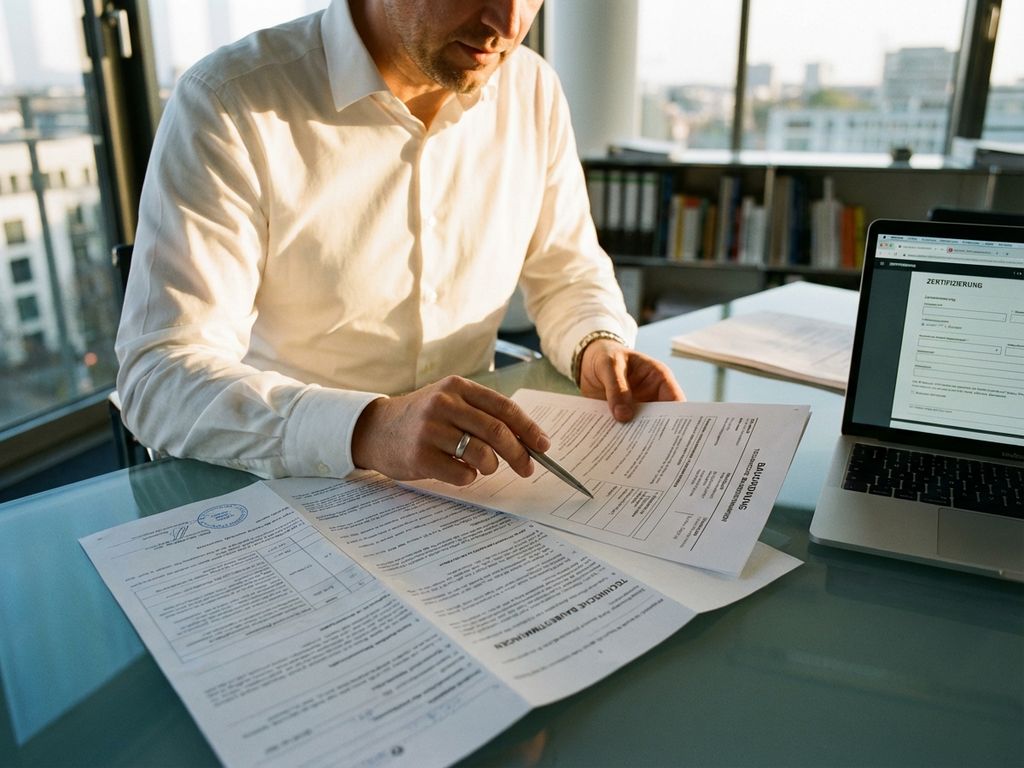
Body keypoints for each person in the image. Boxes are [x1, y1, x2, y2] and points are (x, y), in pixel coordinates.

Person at [116, 0, 685, 487]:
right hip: (292, 481)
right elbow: (159, 377)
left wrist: (597, 343)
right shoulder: (228, 102)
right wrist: (366, 426)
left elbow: (568, 270)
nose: (507, 23)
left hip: (475, 483)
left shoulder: (531, 88)